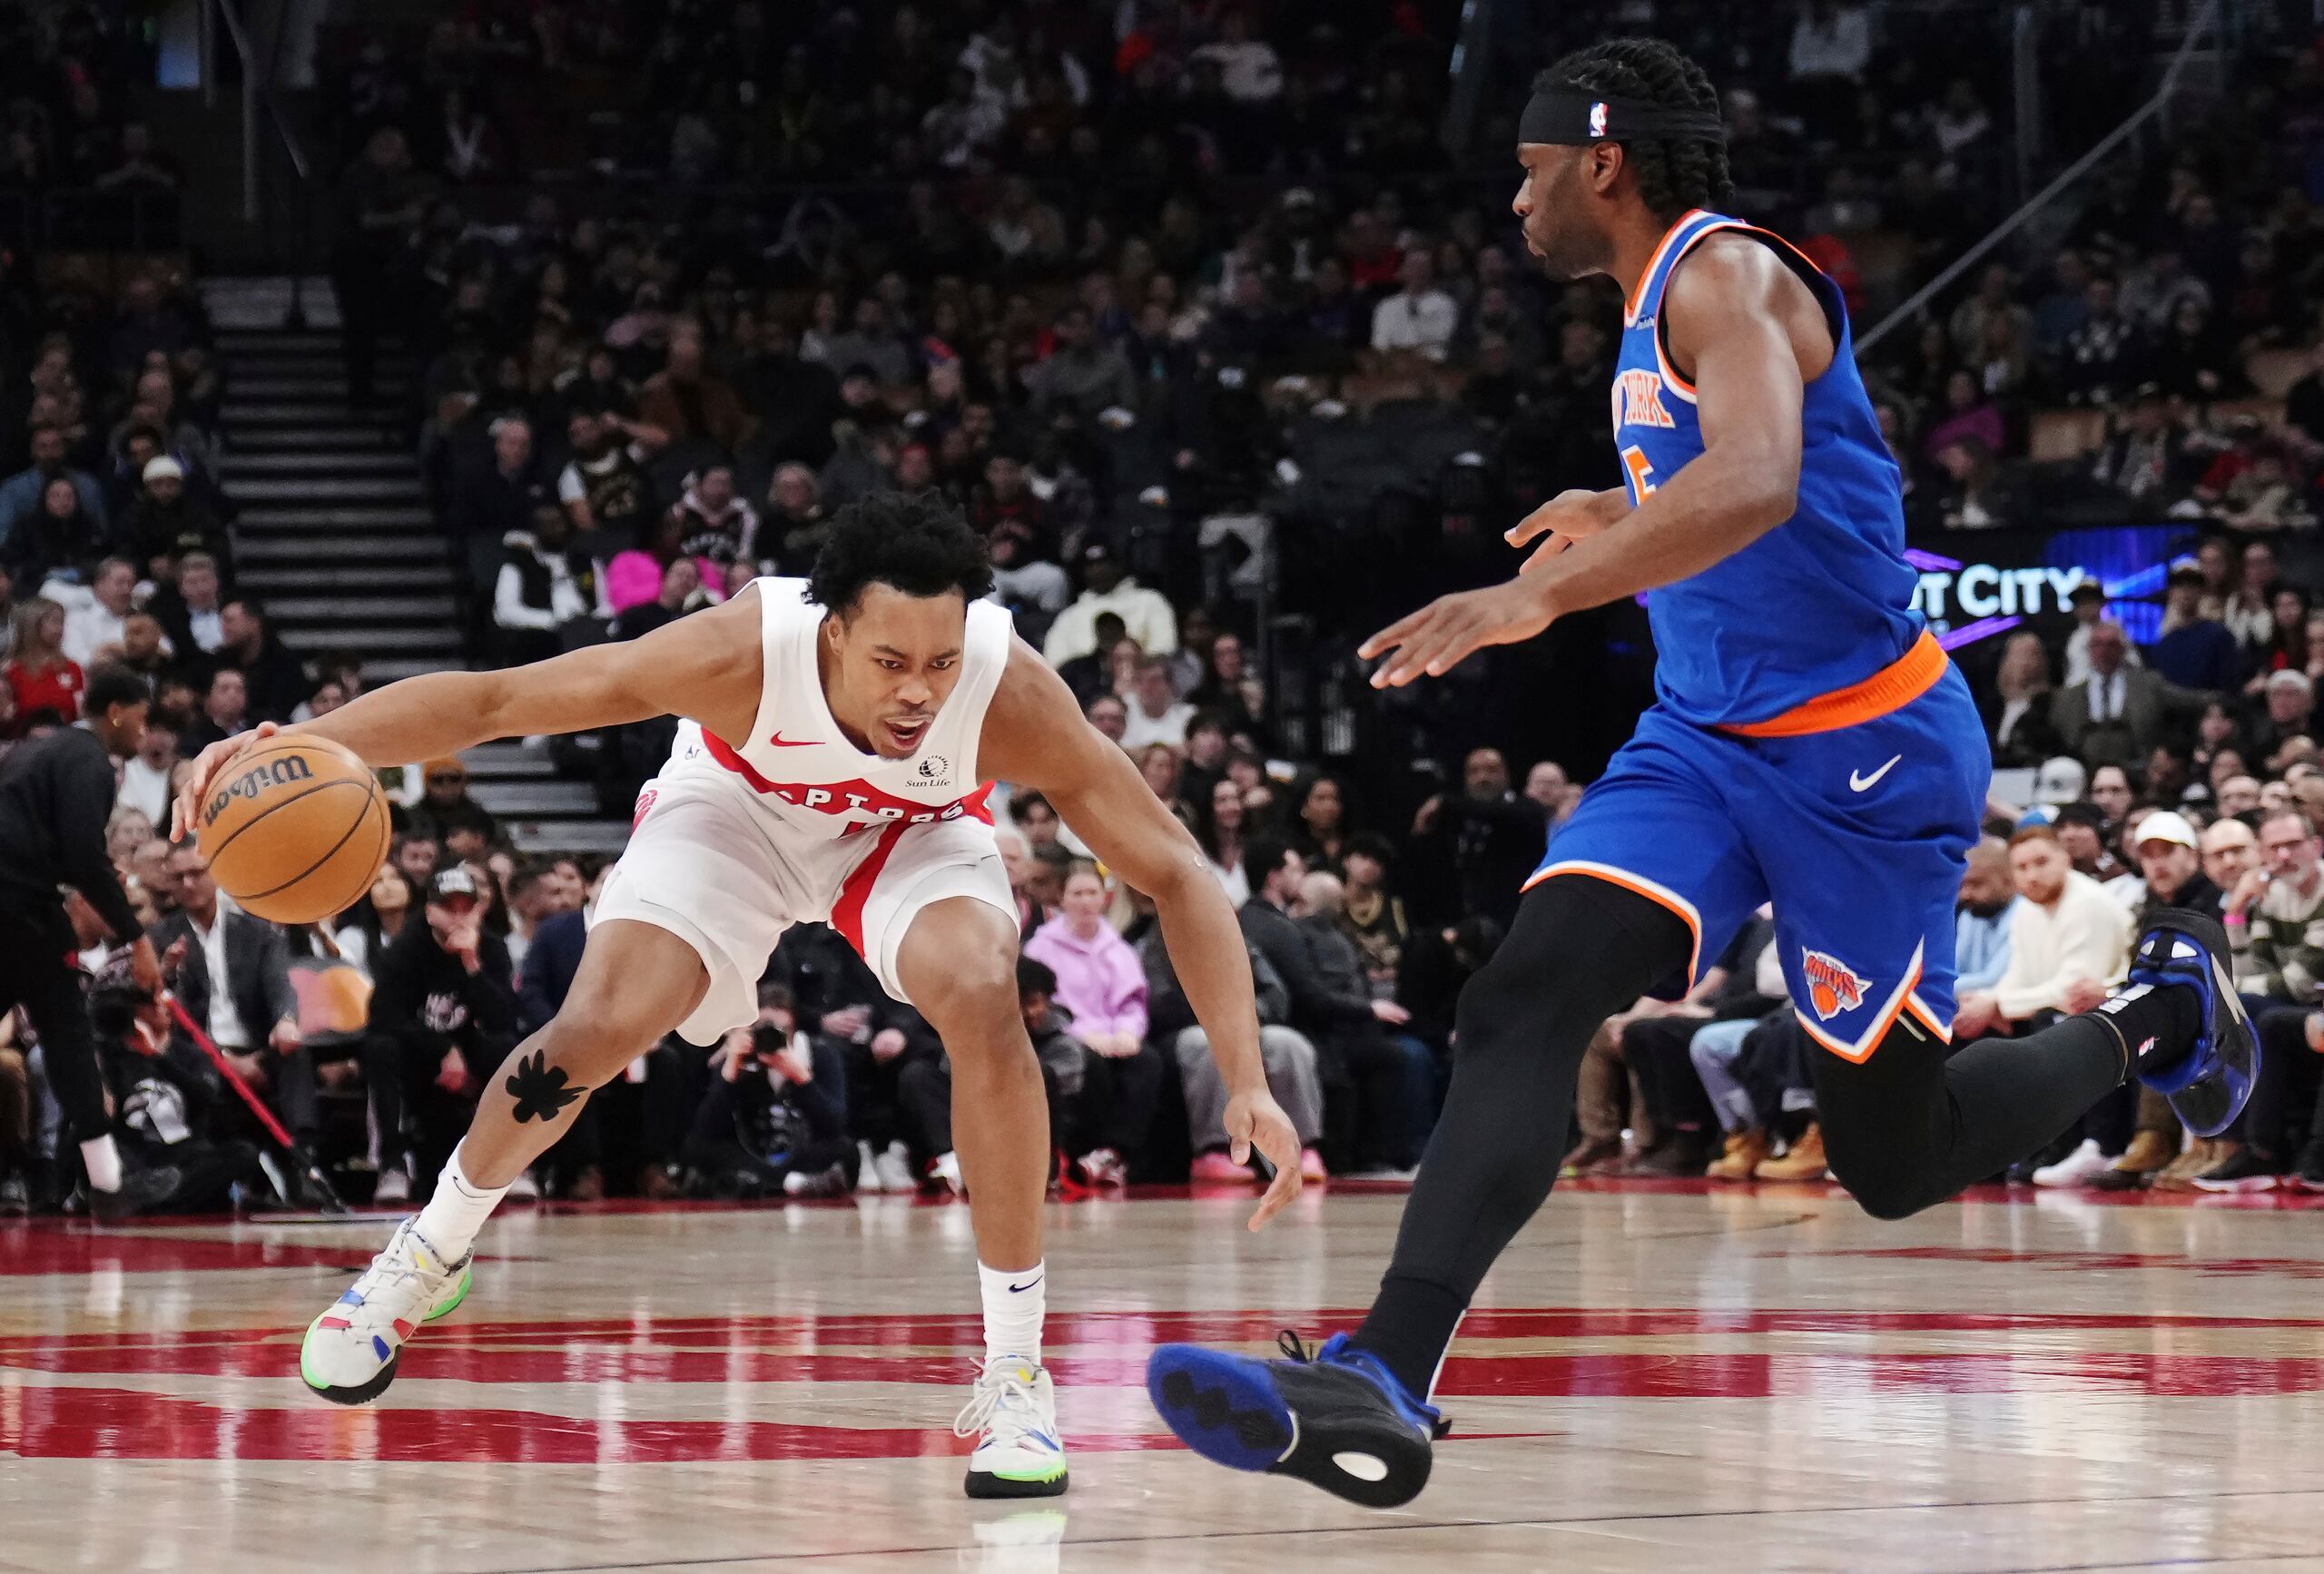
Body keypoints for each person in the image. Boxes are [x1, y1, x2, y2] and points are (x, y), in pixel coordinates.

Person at [1144, 38, 2255, 1509]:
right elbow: (1743, 471)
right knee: (1526, 991)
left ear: (1603, 160)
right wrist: (1628, 500)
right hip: (1706, 737)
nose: (1515, 201)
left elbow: (1761, 478)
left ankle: (2159, 1011)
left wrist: (1551, 591)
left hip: (1865, 746)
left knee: (1893, 1154)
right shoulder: (1652, 302)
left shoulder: (1724, 275)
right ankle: (1386, 1373)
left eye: (1531, 171)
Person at [175, 492, 1296, 1500]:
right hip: (739, 809)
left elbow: (1178, 874)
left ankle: (1014, 1377)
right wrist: (294, 744)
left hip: (907, 833)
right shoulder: (738, 654)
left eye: (940, 663)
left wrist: (1244, 1077)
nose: (918, 691)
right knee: (597, 1026)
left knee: (981, 988)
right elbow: (497, 700)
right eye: (891, 660)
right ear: (834, 629)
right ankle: (428, 1254)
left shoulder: (1007, 696)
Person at [0, 665, 178, 1219]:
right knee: (67, 1034)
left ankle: (106, 1185)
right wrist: (137, 938)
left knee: (65, 1028)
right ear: (117, 711)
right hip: (17, 906)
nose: (144, 734)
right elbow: (84, 858)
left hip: (20, 904)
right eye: (142, 720)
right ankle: (106, 1186)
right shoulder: (87, 760)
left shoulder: (34, 753)